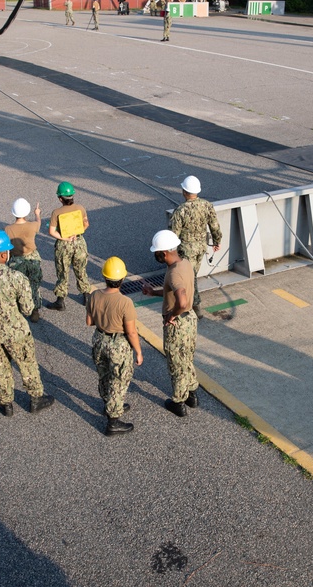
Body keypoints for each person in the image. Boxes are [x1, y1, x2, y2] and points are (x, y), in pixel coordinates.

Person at [0, 231, 54, 417]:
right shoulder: (17, 278)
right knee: (27, 364)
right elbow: (27, 309)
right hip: (16, 332)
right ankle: (35, 399)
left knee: (0, 367)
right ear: (3, 254)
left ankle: (6, 403)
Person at [142, 230, 199, 417]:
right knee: (187, 357)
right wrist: (154, 292)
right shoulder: (186, 264)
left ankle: (178, 402)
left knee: (176, 362)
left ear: (164, 253)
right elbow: (172, 293)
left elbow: (181, 302)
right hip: (190, 319)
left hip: (178, 323)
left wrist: (172, 315)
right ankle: (192, 394)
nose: (155, 255)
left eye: (156, 252)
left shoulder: (174, 273)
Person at [86, 256, 143, 436]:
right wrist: (139, 352)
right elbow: (131, 332)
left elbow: (89, 321)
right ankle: (113, 422)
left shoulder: (94, 295)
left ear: (105, 277)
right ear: (122, 279)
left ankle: (109, 404)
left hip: (99, 340)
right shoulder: (125, 302)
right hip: (118, 344)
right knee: (118, 380)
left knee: (104, 375)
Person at [168, 175, 221, 317]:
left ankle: (194, 306)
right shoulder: (207, 205)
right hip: (201, 248)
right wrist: (217, 241)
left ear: (184, 191)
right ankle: (193, 304)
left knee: (188, 278)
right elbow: (214, 226)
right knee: (193, 275)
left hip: (186, 250)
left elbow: (173, 235)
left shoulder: (180, 210)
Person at [47, 181, 92, 310]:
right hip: (79, 242)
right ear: (72, 195)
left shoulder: (56, 212)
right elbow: (86, 224)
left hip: (64, 245)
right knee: (81, 269)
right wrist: (76, 233)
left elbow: (51, 231)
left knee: (62, 272)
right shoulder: (80, 208)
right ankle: (86, 296)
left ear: (60, 198)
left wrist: (65, 237)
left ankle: (60, 301)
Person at [5, 198, 43, 323]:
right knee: (34, 284)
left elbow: (7, 248)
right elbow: (38, 223)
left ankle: (19, 309)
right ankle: (35, 310)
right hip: (32, 258)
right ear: (26, 212)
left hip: (16, 260)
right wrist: (37, 214)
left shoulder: (8, 229)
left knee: (18, 286)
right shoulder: (32, 225)